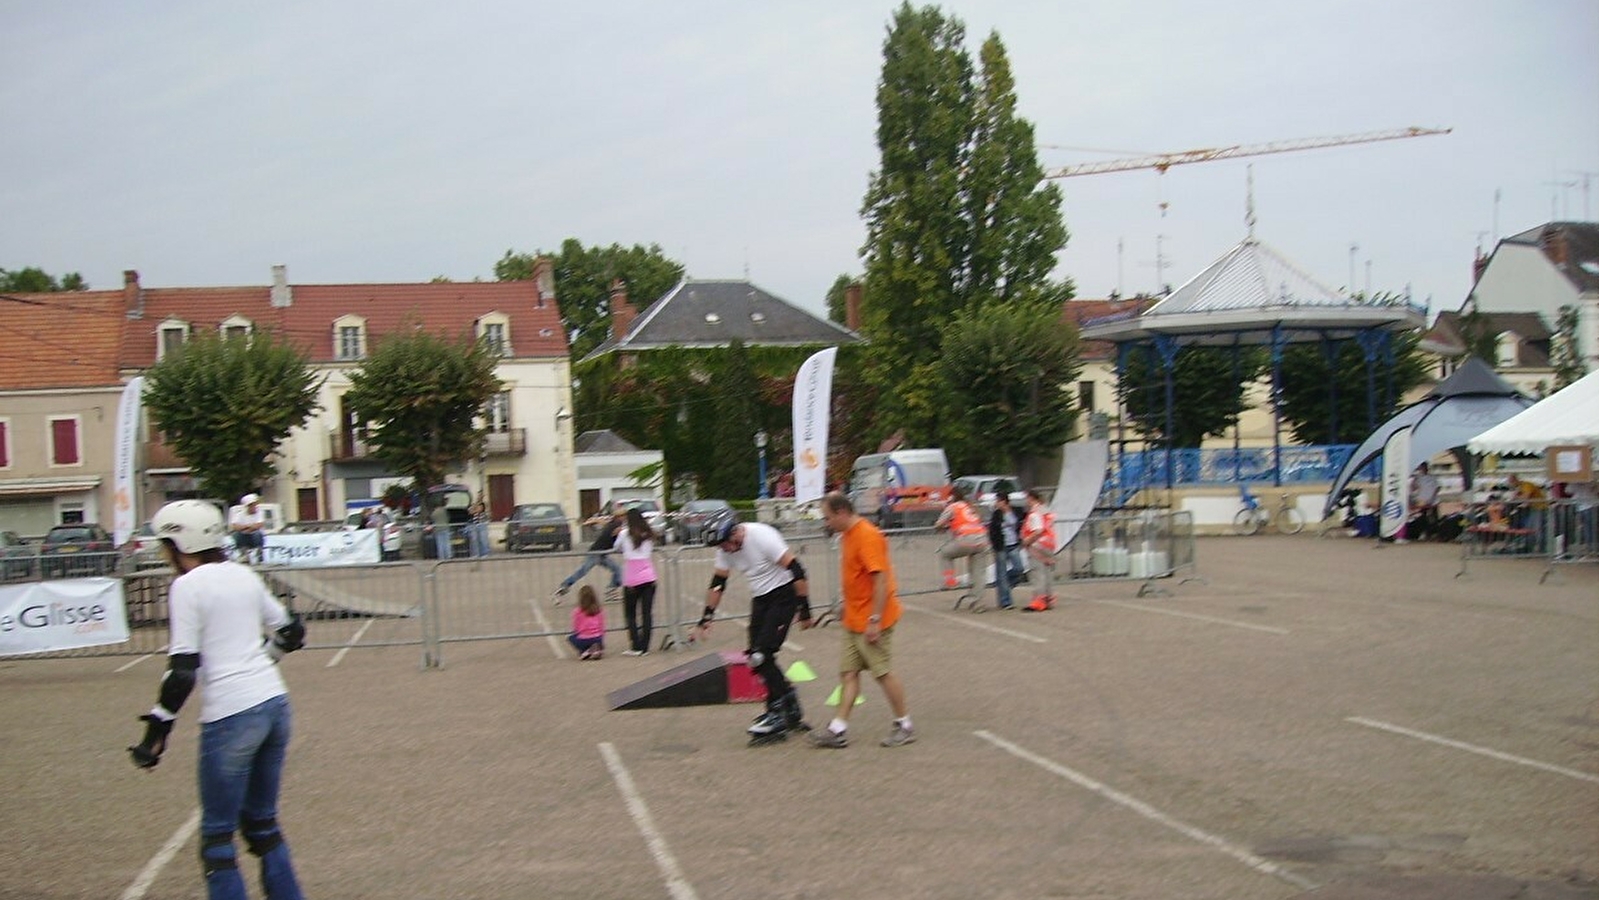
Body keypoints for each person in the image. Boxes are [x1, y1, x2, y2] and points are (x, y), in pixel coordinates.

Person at [125, 500, 306, 899]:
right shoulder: (242, 573)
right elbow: (292, 631)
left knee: (217, 840)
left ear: (179, 542)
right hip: (274, 703)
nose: (163, 553)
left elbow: (183, 670)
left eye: (165, 544)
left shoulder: (187, 586)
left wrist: (157, 731)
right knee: (263, 825)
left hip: (231, 715)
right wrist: (262, 660)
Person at [692, 513, 814, 743]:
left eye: (727, 543)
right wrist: (706, 617)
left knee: (762, 655)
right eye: (720, 546)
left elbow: (798, 571)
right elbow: (718, 583)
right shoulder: (724, 548)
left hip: (783, 596)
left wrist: (804, 610)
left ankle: (776, 713)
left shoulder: (763, 537)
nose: (726, 549)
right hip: (761, 599)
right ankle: (789, 704)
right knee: (753, 658)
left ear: (736, 532)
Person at [810, 492, 915, 749]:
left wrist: (875, 620)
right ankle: (838, 728)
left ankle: (905, 724)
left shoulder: (867, 535)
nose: (826, 523)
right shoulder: (847, 535)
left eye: (828, 517)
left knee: (882, 672)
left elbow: (880, 580)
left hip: (872, 618)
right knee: (848, 673)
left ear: (842, 513)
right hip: (854, 618)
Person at [554, 506, 624, 602]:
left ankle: (611, 591)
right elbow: (619, 532)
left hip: (602, 554)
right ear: (620, 517)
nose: (625, 518)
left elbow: (598, 520)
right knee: (582, 571)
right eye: (623, 516)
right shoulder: (617, 525)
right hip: (595, 553)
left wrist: (586, 522)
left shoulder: (611, 523)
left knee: (617, 569)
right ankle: (564, 586)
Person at [614, 507, 658, 656]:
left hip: (632, 576)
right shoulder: (648, 534)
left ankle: (636, 645)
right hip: (648, 575)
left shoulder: (624, 534)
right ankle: (645, 646)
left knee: (630, 614)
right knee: (647, 613)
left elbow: (617, 547)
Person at [933, 484, 987, 590]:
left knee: (944, 554)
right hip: (982, 539)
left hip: (966, 539)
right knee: (977, 571)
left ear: (952, 496)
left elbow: (938, 524)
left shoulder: (953, 507)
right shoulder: (969, 506)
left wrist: (942, 527)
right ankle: (978, 600)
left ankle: (950, 581)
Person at [986, 487, 1025, 611]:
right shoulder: (996, 515)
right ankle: (1005, 601)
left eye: (999, 501)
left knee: (1019, 568)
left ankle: (1006, 585)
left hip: (1014, 544)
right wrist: (993, 545)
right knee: (1001, 573)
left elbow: (1023, 522)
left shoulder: (1016, 511)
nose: (997, 504)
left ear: (1005, 501)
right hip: (1001, 546)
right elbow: (992, 531)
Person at [1020, 490, 1058, 611]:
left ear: (1031, 498)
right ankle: (1049, 599)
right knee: (1047, 573)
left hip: (1037, 546)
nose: (1026, 501)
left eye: (1027, 499)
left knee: (1038, 573)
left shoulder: (1034, 513)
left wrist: (1027, 541)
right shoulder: (1045, 510)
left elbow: (1038, 530)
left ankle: (1038, 601)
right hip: (1049, 544)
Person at [567, 585, 606, 660]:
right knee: (595, 638)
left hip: (584, 639)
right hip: (598, 638)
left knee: (571, 637)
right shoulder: (599, 609)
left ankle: (584, 651)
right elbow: (602, 626)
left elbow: (576, 628)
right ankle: (596, 649)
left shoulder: (577, 611)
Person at [228, 492, 267, 565]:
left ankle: (259, 554)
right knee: (236, 535)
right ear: (248, 506)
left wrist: (245, 527)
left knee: (258, 534)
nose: (255, 507)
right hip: (244, 535)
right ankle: (244, 554)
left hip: (254, 536)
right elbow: (235, 526)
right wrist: (249, 526)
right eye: (253, 505)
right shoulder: (240, 515)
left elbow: (259, 525)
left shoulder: (259, 513)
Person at [1409, 462, 1441, 541]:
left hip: (1433, 501)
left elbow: (1437, 488)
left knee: (1434, 518)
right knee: (1423, 518)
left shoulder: (1432, 477)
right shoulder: (1418, 477)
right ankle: (1425, 533)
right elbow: (1413, 488)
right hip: (1422, 501)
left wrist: (1432, 498)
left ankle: (1435, 534)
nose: (1423, 469)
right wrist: (1414, 481)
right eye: (1421, 468)